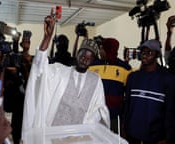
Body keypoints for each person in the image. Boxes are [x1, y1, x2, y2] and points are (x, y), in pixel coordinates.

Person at [22, 9, 110, 143]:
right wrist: (47, 37)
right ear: (77, 54)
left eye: (89, 57)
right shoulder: (60, 72)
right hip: (52, 136)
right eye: (82, 55)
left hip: (79, 138)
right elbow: (39, 67)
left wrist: (82, 130)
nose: (84, 60)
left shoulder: (95, 80)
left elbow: (98, 110)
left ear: (93, 61)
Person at [123, 39, 175, 143]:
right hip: (132, 135)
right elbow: (126, 106)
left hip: (156, 137)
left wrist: (168, 137)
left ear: (157, 55)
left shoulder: (168, 79)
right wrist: (124, 129)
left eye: (149, 52)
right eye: (143, 52)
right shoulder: (133, 77)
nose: (145, 55)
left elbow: (170, 110)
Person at [89, 38, 132, 133]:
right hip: (94, 114)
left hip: (114, 116)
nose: (99, 51)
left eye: (102, 48)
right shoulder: (92, 66)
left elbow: (128, 95)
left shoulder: (124, 68)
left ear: (109, 50)